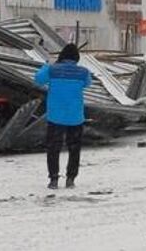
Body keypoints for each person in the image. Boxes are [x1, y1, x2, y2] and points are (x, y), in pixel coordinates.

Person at [34, 44, 92, 190]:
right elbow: (87, 84)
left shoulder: (52, 70)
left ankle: (53, 179)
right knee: (74, 148)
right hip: (75, 117)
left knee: (54, 148)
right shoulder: (83, 72)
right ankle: (71, 179)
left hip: (56, 116)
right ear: (76, 58)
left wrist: (47, 65)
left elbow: (39, 79)